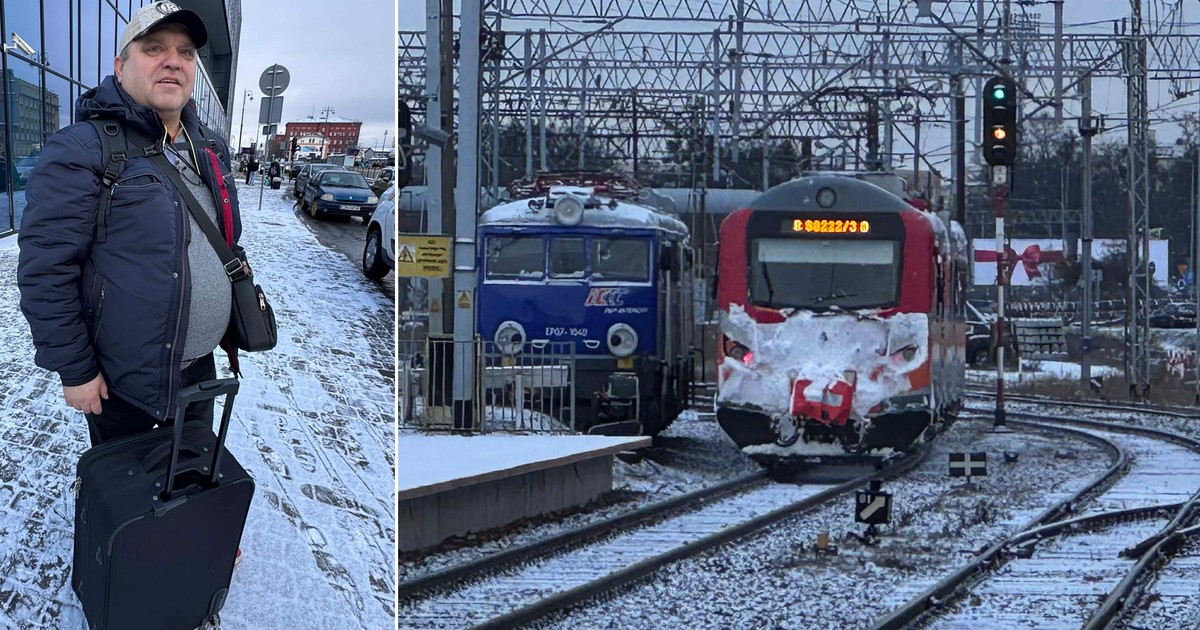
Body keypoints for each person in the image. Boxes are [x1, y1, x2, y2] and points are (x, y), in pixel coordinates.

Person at [17, 2, 242, 448]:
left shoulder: (210, 149)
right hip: (126, 381)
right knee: (131, 503)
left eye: (185, 52)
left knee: (191, 488)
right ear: (120, 67)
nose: (173, 61)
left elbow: (224, 240)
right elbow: (46, 271)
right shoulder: (82, 149)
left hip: (200, 367)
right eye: (154, 48)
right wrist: (77, 370)